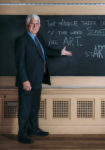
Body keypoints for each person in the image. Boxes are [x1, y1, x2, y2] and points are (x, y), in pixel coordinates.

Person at [15, 14, 72, 144]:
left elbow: (46, 51)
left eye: (37, 24)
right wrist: (24, 80)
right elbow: (20, 63)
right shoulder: (21, 40)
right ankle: (22, 134)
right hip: (27, 81)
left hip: (37, 79)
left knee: (34, 107)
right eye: (32, 23)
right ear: (27, 25)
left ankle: (33, 129)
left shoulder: (38, 37)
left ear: (39, 26)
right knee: (25, 109)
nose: (35, 26)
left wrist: (60, 52)